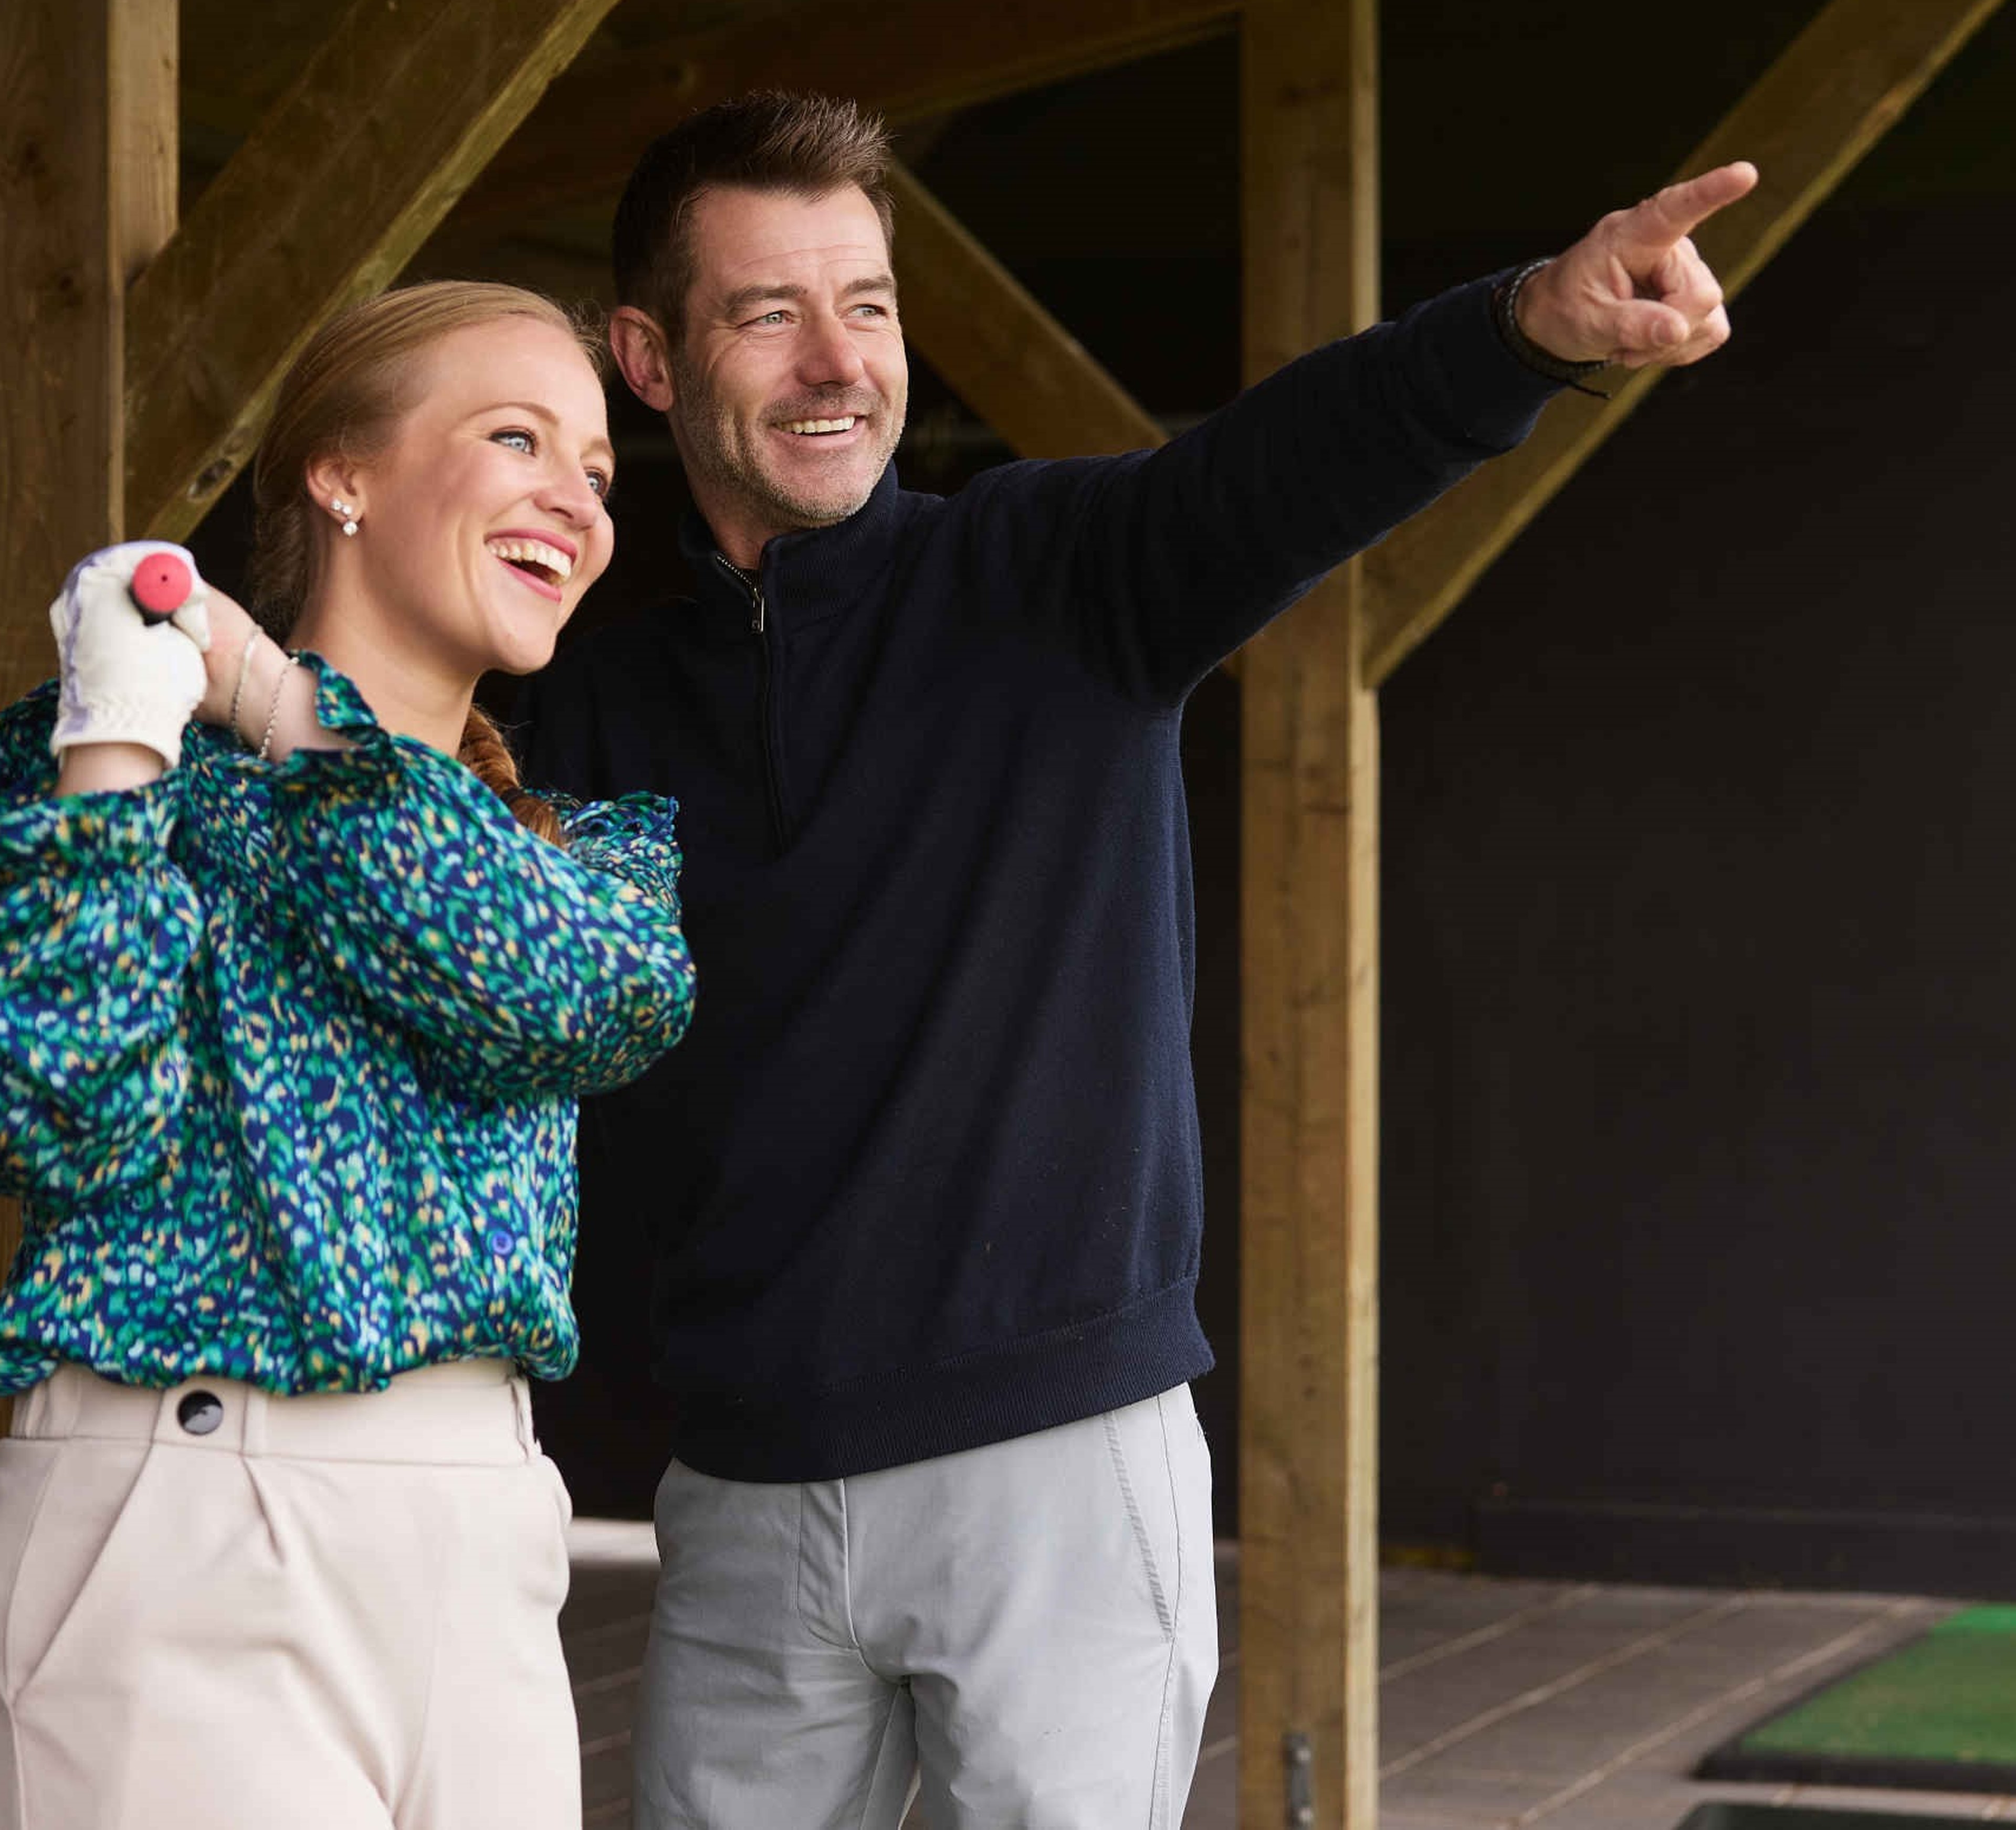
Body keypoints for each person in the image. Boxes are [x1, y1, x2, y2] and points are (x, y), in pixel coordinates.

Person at [517, 92, 1754, 1830]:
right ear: (649, 360)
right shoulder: (588, 702)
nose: (835, 365)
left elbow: (1287, 459)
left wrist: (1528, 326)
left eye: (865, 307)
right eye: (767, 313)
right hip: (739, 1489)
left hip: (1055, 1467)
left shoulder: (1052, 574)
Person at [0, 280, 697, 1830]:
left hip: (484, 1526)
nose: (575, 500)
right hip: (179, 1504)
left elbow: (584, 999)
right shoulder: (104, 769)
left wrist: (283, 710)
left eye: (593, 466)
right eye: (517, 437)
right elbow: (66, 1115)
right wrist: (119, 743)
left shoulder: (583, 856)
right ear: (344, 474)